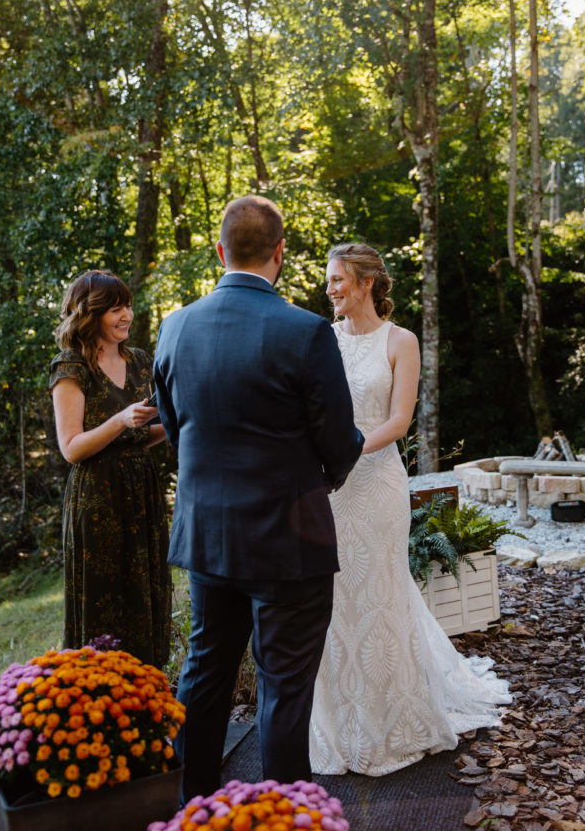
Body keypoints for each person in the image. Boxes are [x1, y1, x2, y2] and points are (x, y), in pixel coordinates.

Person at [153, 195, 364, 801]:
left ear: (220, 252)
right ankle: (281, 813)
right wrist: (323, 474)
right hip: (288, 540)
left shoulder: (174, 327)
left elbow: (175, 426)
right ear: (279, 253)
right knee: (284, 689)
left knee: (205, 672)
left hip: (206, 537)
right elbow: (339, 439)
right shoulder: (304, 331)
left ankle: (190, 806)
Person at [309, 243, 510, 776]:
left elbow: (399, 422)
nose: (329, 289)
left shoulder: (402, 341)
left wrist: (346, 452)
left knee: (380, 593)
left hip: (376, 486)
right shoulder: (320, 340)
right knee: (334, 597)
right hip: (330, 489)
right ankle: (341, 716)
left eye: (337, 280)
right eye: (328, 281)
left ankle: (394, 716)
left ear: (368, 283)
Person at [49, 269, 172, 669]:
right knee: (105, 602)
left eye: (128, 306)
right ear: (91, 312)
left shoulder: (139, 360)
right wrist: (121, 420)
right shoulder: (71, 366)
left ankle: (148, 700)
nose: (126, 315)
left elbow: (141, 436)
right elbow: (71, 448)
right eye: (115, 308)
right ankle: (99, 706)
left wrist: (174, 430)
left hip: (142, 494)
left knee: (145, 597)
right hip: (98, 498)